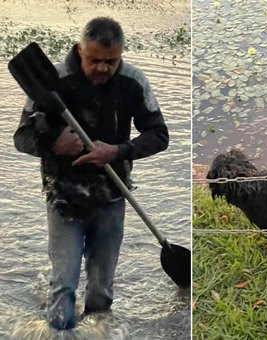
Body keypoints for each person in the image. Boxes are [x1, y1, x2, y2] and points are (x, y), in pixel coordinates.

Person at [13, 17, 169, 330]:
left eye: (110, 61)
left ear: (121, 55)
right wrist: (55, 144)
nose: (102, 68)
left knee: (101, 290)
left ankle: (97, 333)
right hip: (63, 199)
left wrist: (118, 151)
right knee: (64, 286)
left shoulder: (132, 81)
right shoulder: (52, 81)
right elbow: (22, 138)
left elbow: (159, 135)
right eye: (94, 60)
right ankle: (61, 333)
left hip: (112, 195)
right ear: (79, 50)